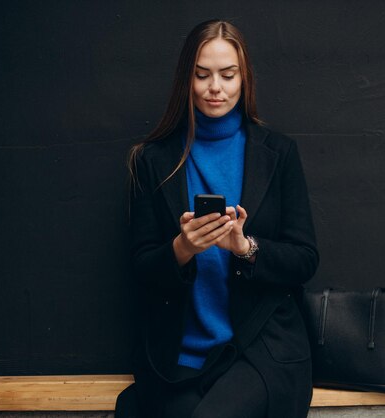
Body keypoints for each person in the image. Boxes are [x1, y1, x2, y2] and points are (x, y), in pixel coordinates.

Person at [117, 19, 319, 418]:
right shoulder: (152, 159)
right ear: (185, 80)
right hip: (180, 355)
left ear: (244, 80)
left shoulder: (277, 152)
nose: (216, 87)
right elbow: (140, 266)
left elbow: (305, 259)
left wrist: (246, 248)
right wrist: (181, 248)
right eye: (202, 75)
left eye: (228, 75)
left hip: (261, 349)